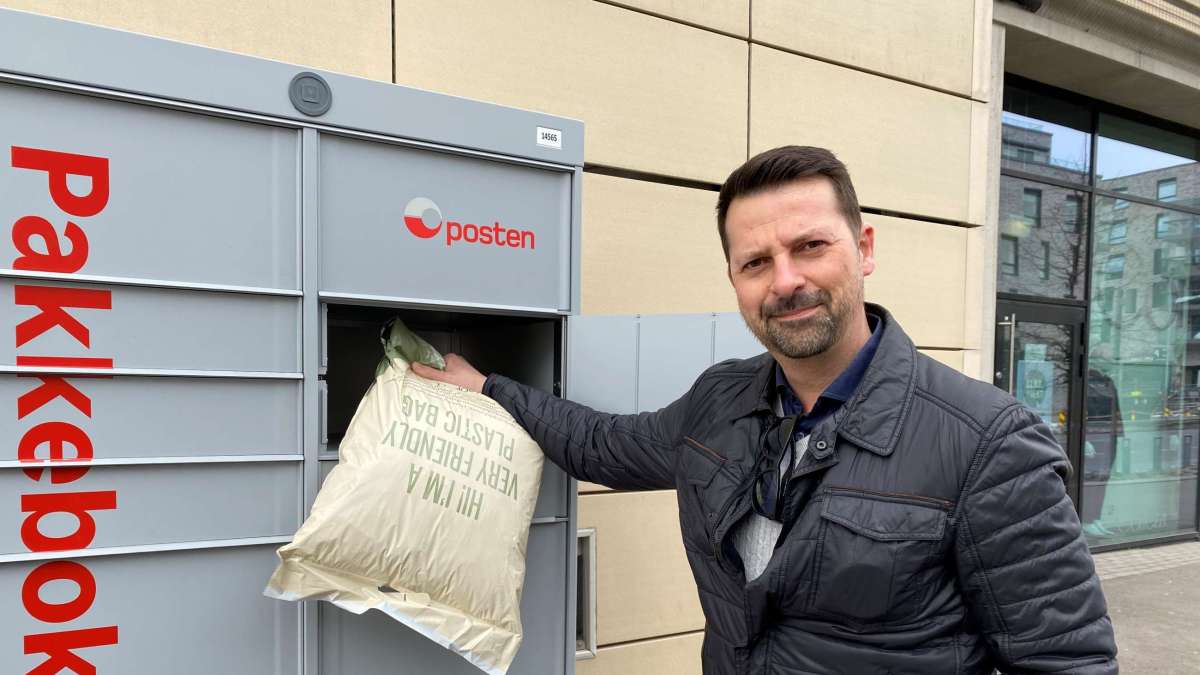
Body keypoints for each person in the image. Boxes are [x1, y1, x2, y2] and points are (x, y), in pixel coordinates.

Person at [412, 146, 1118, 674]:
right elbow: (604, 445)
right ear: (734, 279)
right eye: (756, 261)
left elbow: (1067, 661)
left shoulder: (988, 443)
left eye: (810, 246)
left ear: (863, 249)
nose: (786, 280)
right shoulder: (720, 399)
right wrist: (490, 388)